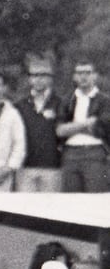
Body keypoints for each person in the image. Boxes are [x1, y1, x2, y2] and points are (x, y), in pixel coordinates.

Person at [56, 60, 110, 194]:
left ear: (95, 76)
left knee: (96, 199)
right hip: (70, 153)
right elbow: (60, 131)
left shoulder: (105, 101)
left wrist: (72, 127)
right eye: (80, 73)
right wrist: (86, 123)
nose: (83, 76)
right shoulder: (67, 100)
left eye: (88, 73)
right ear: (74, 76)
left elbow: (101, 128)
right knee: (70, 201)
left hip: (95, 152)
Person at [15, 59, 63, 193]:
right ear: (29, 78)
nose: (39, 79)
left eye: (43, 75)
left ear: (50, 78)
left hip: (52, 168)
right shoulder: (20, 105)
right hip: (25, 168)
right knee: (24, 210)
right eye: (35, 75)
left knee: (50, 212)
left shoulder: (60, 103)